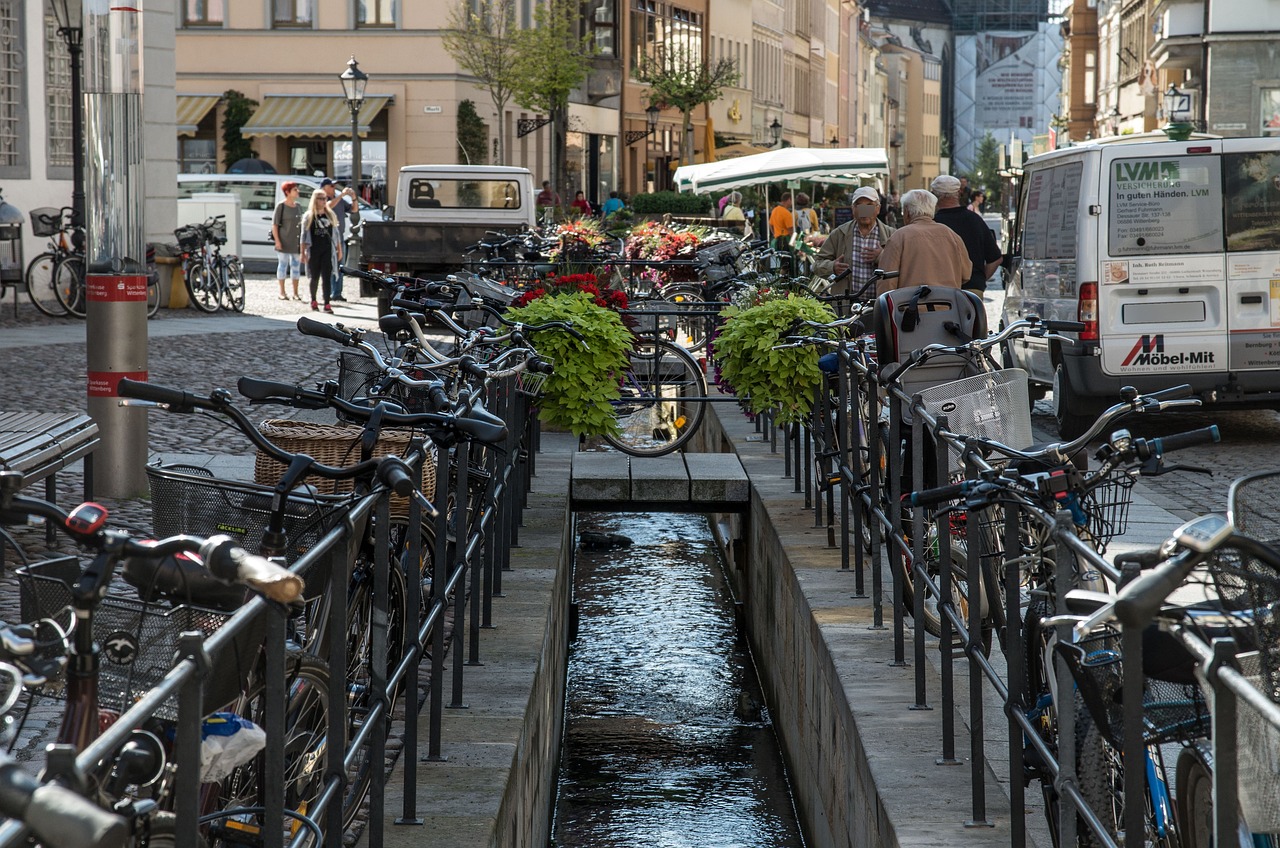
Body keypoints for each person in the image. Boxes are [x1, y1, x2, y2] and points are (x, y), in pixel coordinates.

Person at [875, 188, 971, 296]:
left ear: (906, 212)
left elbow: (887, 282)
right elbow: (966, 274)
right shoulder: (952, 235)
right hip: (949, 306)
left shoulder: (899, 237)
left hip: (910, 307)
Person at [813, 186, 896, 299]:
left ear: (878, 209)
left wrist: (882, 256)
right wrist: (832, 267)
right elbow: (816, 264)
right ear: (853, 209)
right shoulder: (840, 233)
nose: (864, 210)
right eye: (860, 206)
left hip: (879, 306)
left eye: (869, 206)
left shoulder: (892, 235)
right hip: (847, 306)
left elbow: (904, 268)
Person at [930, 174, 1002, 293]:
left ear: (934, 195)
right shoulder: (975, 220)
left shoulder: (932, 223)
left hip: (939, 291)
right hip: (972, 289)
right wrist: (979, 279)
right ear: (959, 192)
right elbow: (995, 259)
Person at [300, 188, 341, 313]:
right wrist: (302, 252)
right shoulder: (309, 216)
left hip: (327, 250)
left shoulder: (330, 214)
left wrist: (339, 249)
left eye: (325, 198)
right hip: (314, 250)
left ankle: (327, 303)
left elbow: (336, 234)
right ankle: (313, 300)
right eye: (321, 198)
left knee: (327, 277)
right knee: (315, 277)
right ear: (315, 200)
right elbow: (303, 235)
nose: (324, 201)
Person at [320, 178, 356, 302]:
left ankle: (337, 293)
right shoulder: (322, 199)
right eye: (331, 186)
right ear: (324, 187)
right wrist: (342, 195)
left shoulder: (339, 199)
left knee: (340, 266)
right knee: (329, 266)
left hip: (339, 238)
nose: (334, 188)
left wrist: (354, 197)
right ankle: (328, 293)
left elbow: (354, 209)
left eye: (334, 186)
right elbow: (328, 206)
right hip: (327, 239)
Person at [272, 181, 304, 301]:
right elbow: (275, 225)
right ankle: (282, 292)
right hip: (284, 241)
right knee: (283, 266)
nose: (297, 192)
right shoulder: (281, 206)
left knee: (296, 267)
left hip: (296, 242)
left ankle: (295, 292)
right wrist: (277, 241)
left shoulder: (299, 207)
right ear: (287, 192)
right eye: (295, 190)